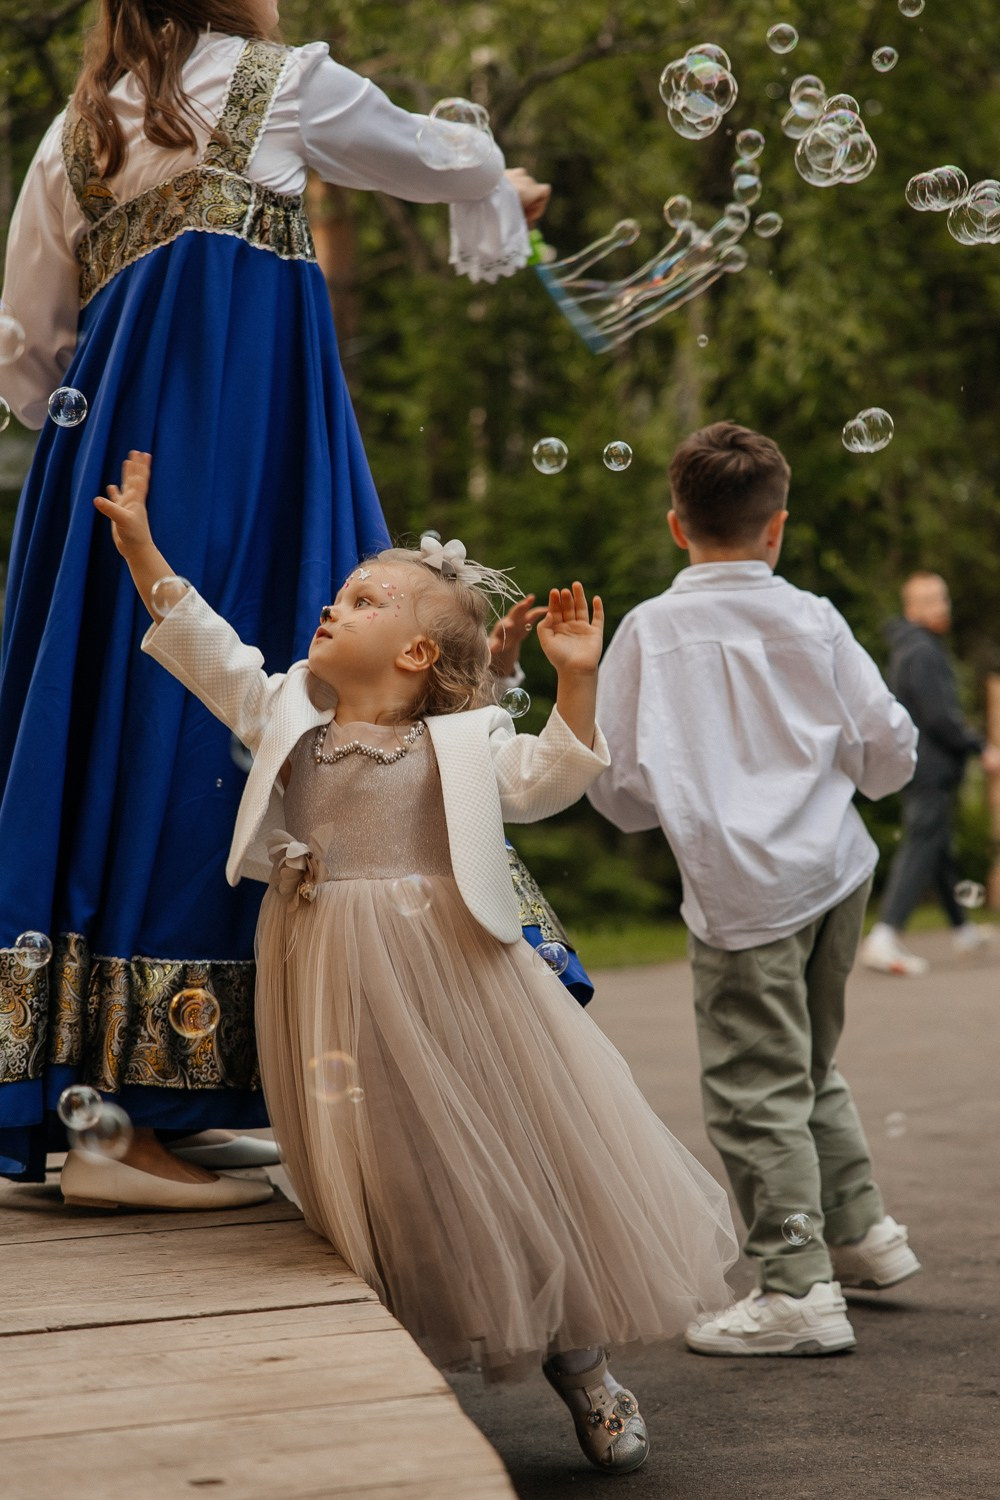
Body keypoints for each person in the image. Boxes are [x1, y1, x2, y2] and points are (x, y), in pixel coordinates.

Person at [89, 449, 739, 1473]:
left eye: (365, 601)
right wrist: (143, 549)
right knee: (385, 1178)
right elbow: (207, 647)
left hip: (455, 981)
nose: (333, 607)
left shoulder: (465, 740)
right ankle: (397, 1381)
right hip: (325, 976)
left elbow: (549, 779)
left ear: (416, 654)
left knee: (510, 1163)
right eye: (341, 595)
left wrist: (578, 679)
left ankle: (584, 1368)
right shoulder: (286, 713)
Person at [0, 0, 551, 1202]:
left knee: (132, 731)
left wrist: (120, 401)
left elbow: (28, 357)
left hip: (109, 478)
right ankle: (127, 1127)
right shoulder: (280, 81)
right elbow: (430, 154)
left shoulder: (77, 131)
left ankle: (147, 1094)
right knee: (271, 722)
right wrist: (497, 185)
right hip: (255, 466)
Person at [587, 421, 923, 1357]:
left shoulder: (651, 630)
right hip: (836, 872)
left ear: (676, 525)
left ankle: (797, 1288)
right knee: (805, 1061)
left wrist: (674, 802)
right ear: (776, 527)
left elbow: (617, 787)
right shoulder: (814, 615)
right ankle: (859, 1233)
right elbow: (889, 746)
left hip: (744, 894)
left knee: (754, 1089)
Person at [859, 572, 1000, 977]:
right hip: (929, 768)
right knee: (922, 844)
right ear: (912, 608)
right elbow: (938, 716)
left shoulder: (912, 647)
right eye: (933, 599)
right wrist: (979, 746)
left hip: (921, 765)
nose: (943, 606)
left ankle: (963, 930)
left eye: (944, 597)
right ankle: (884, 935)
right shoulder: (921, 651)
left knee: (939, 852)